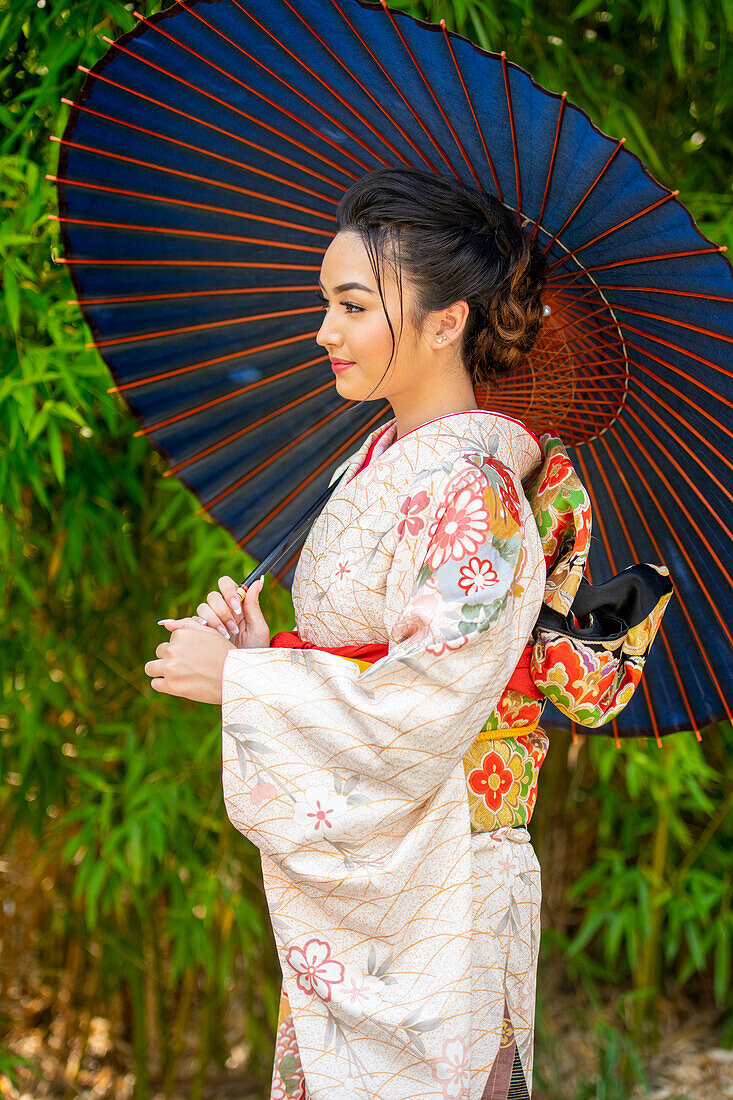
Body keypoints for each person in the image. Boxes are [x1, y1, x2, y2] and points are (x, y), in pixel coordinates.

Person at [144, 168, 671, 1099]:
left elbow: (424, 705)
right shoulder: (386, 462)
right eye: (325, 304)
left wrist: (243, 685)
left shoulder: (474, 491)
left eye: (352, 306)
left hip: (446, 877)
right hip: (395, 876)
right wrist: (270, 652)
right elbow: (391, 667)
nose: (324, 332)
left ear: (445, 322)